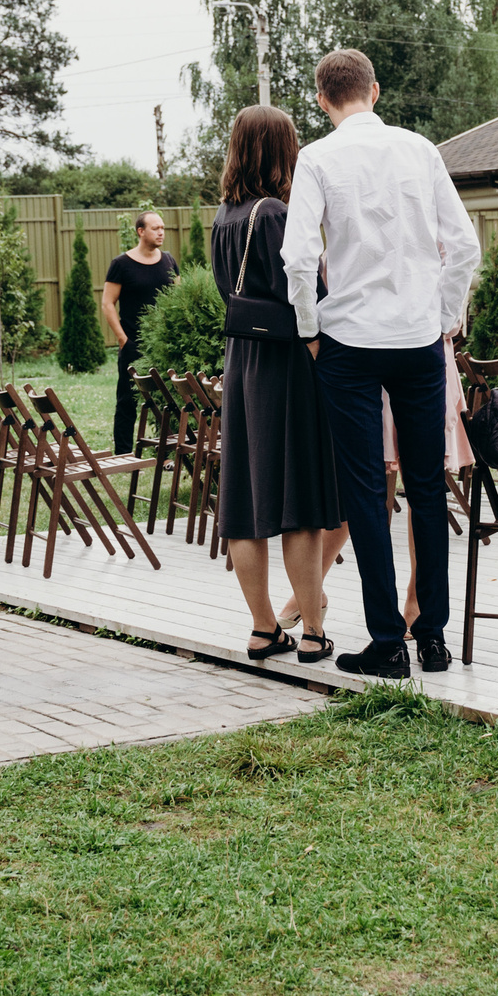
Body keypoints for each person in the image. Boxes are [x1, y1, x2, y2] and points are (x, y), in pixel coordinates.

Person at [282, 48, 482, 680]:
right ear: (375, 89)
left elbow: (296, 259)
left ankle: (386, 641)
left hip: (348, 341)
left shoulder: (315, 158)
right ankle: (434, 638)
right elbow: (466, 245)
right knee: (428, 487)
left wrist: (310, 331)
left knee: (366, 490)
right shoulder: (420, 150)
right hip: (419, 339)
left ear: (322, 99)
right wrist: (446, 317)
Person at [211, 106, 344, 664]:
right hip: (288, 360)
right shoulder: (276, 215)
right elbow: (305, 291)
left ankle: (264, 628)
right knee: (301, 501)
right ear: (282, 150)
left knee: (245, 500)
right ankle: (312, 630)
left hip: (242, 361)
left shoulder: (224, 215)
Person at [103, 212, 180, 454]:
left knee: (167, 400)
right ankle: (123, 453)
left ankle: (166, 451)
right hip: (133, 344)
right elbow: (107, 303)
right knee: (127, 400)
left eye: (163, 228)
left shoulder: (168, 261)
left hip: (163, 343)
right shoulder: (121, 264)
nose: (161, 232)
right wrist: (123, 339)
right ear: (140, 231)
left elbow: (179, 299)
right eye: (155, 228)